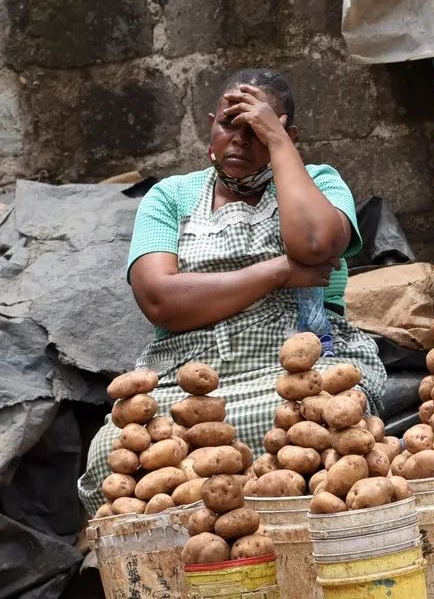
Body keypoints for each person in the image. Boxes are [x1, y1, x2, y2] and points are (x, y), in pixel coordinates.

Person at [77, 68, 386, 515]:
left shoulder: (318, 182)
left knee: (312, 430)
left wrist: (278, 145)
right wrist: (278, 271)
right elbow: (160, 299)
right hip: (184, 380)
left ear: (289, 134)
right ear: (210, 126)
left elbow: (315, 244)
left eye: (257, 130)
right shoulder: (170, 197)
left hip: (296, 373)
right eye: (229, 125)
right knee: (112, 451)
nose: (240, 140)